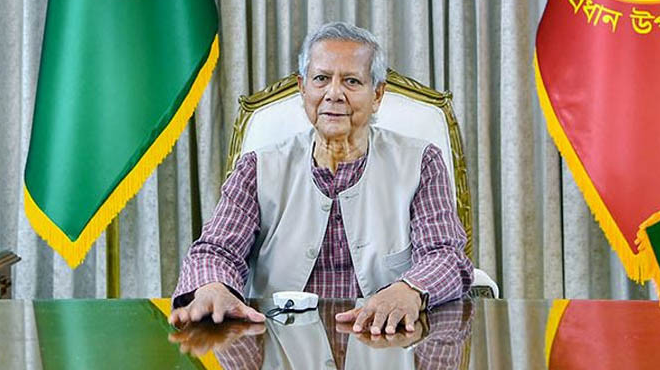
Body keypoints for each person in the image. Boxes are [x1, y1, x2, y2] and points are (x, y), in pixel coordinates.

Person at [169, 22, 473, 336]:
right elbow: (216, 250)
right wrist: (213, 286)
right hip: (279, 345)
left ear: (377, 94)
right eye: (321, 79)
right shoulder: (257, 167)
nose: (334, 94)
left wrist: (410, 289)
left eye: (352, 81)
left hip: (385, 340)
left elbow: (446, 255)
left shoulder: (422, 162)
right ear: (303, 88)